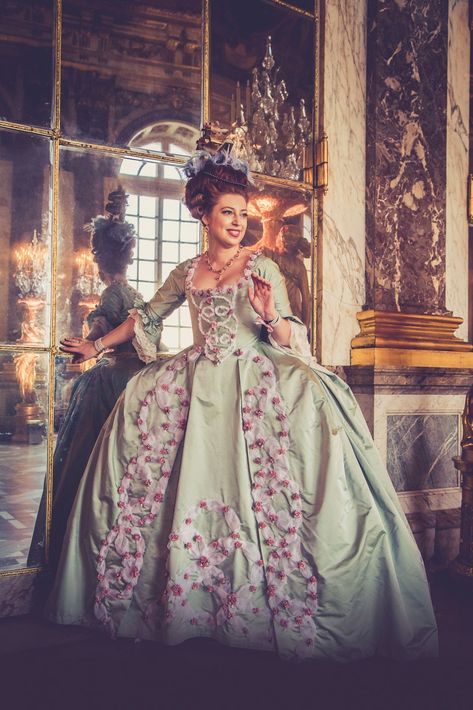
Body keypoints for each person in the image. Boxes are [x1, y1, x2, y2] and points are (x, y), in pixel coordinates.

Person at [45, 151, 438, 662]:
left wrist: (270, 314)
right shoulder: (187, 270)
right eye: (228, 212)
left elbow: (291, 333)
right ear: (204, 215)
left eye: (243, 213)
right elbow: (146, 317)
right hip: (193, 381)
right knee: (159, 461)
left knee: (285, 462)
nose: (238, 221)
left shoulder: (261, 264)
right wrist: (95, 347)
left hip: (255, 375)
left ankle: (272, 606)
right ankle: (185, 604)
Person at [28, 190, 144, 570]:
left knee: (83, 463)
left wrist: (90, 343)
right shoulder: (134, 294)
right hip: (135, 382)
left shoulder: (111, 296)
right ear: (128, 256)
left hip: (107, 384)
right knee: (120, 467)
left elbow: (98, 330)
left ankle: (72, 547)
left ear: (99, 260)